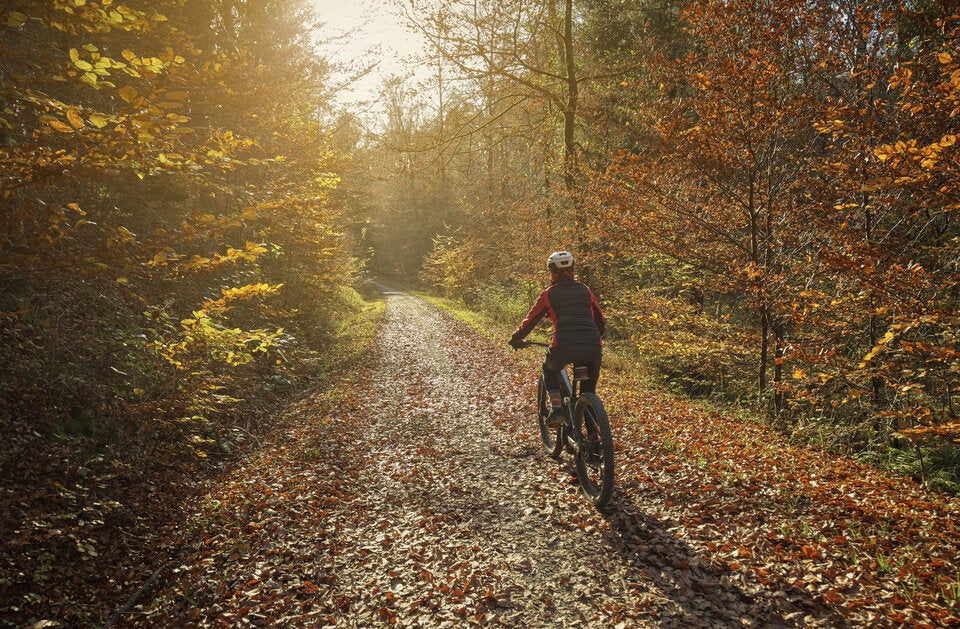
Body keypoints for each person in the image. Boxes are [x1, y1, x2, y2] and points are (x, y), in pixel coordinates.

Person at [509, 250, 605, 427]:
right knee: (589, 391)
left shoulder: (548, 294)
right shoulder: (586, 291)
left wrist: (516, 338)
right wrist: (593, 337)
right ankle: (594, 437)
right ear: (572, 271)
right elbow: (600, 320)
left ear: (551, 271)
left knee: (549, 367)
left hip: (563, 346)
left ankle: (556, 409)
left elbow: (530, 321)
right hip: (592, 347)